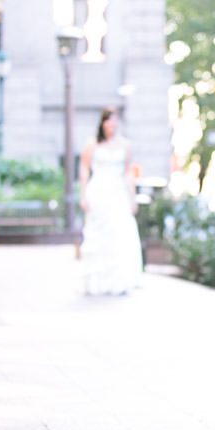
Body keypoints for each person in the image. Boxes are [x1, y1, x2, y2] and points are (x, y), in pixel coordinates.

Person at [79, 107, 143, 296]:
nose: (112, 124)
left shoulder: (125, 145)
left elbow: (128, 173)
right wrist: (83, 195)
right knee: (99, 236)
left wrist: (132, 198)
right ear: (102, 123)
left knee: (120, 235)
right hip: (98, 192)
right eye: (108, 120)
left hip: (118, 194)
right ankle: (97, 281)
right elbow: (83, 169)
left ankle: (119, 280)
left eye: (115, 120)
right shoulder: (92, 144)